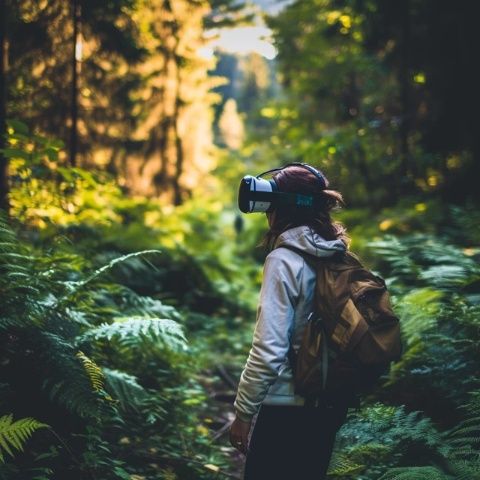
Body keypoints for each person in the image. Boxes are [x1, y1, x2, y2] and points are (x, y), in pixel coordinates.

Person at [229, 164, 351, 480]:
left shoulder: (283, 260)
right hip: (329, 402)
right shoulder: (338, 254)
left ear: (280, 207)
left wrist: (243, 412)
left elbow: (268, 351)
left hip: (287, 407)